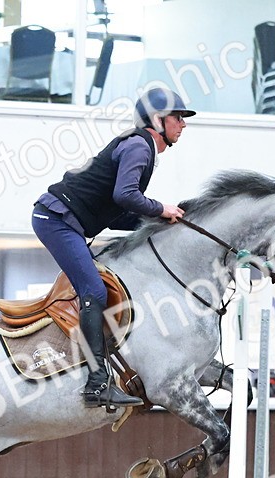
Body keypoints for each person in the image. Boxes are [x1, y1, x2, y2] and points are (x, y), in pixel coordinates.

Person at [31, 87, 194, 410]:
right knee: (94, 290)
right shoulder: (139, 146)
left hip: (65, 221)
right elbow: (125, 196)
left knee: (103, 286)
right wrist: (162, 209)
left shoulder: (143, 148)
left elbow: (120, 212)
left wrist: (157, 226)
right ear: (158, 120)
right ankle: (96, 384)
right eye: (178, 117)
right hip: (55, 220)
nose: (183, 125)